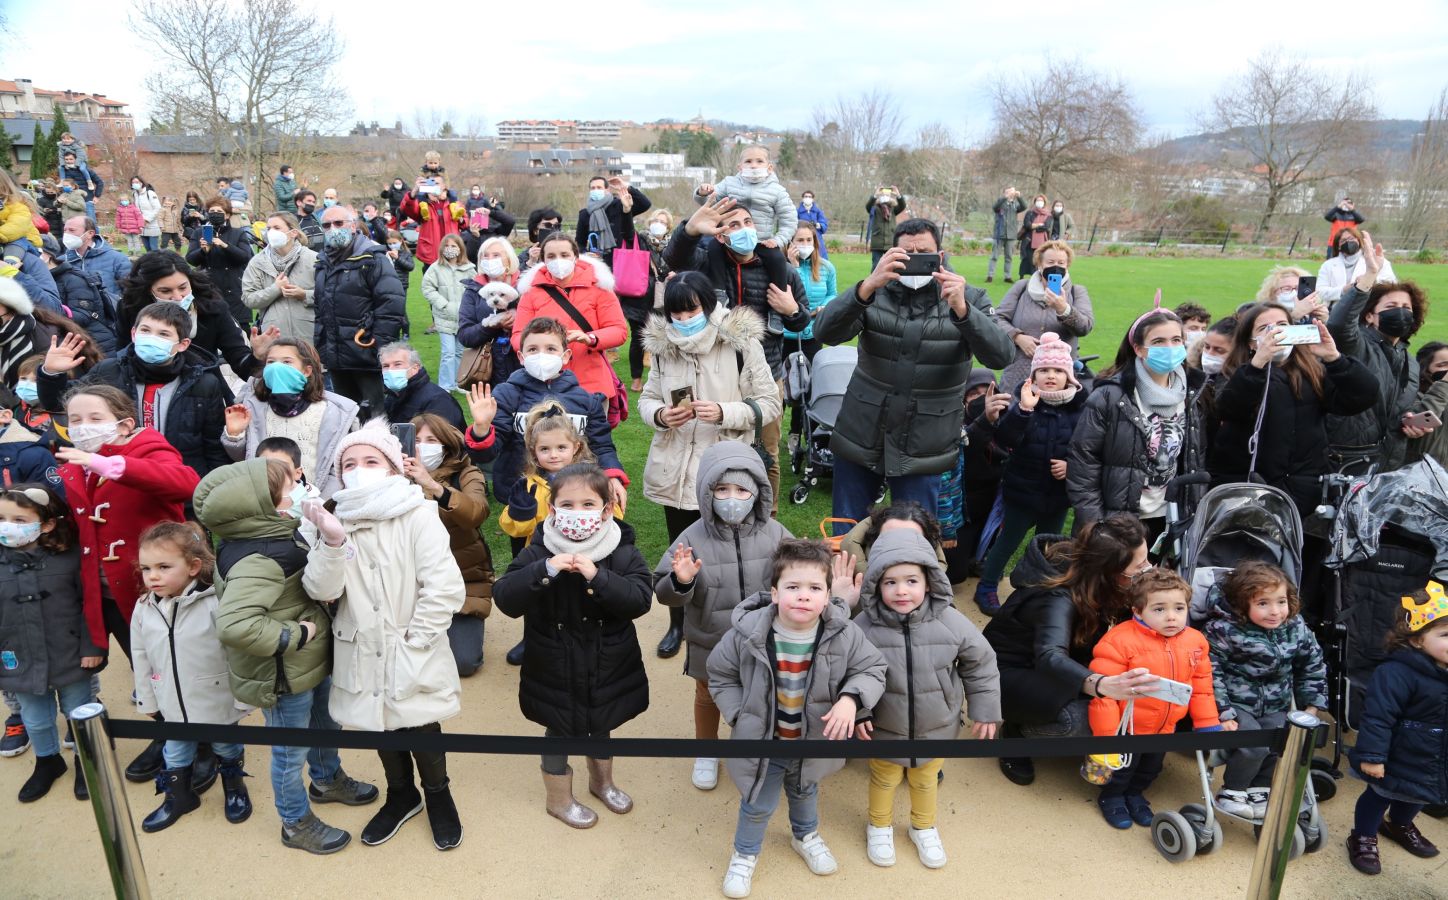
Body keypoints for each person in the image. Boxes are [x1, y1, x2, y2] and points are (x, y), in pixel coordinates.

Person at [195, 458, 378, 855]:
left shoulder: (270, 533)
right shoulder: (258, 559)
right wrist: (297, 634)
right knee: (289, 751)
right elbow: (236, 625)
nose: (298, 490)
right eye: (287, 488)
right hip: (283, 673)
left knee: (325, 725)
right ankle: (295, 822)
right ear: (263, 505)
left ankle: (328, 779)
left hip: (305, 664)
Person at [299, 423, 467, 851]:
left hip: (411, 641)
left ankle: (437, 792)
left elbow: (444, 586)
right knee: (378, 722)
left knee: (419, 718)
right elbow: (322, 590)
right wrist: (332, 543)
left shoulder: (418, 515)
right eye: (349, 464)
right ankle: (401, 793)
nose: (359, 470)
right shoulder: (334, 522)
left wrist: (417, 639)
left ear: (393, 468)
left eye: (371, 461)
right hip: (358, 644)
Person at [707, 539, 887, 898]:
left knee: (806, 791)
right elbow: (720, 674)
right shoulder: (747, 635)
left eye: (814, 588)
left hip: (814, 741)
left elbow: (872, 668)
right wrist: (739, 713)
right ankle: (745, 854)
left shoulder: (844, 633)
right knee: (757, 802)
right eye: (793, 587)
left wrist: (852, 700)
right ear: (774, 594)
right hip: (764, 742)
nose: (803, 596)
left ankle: (805, 835)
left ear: (827, 596)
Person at [815, 218, 1013, 529]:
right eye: (907, 253)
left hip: (925, 439)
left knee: (913, 535)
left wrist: (964, 312)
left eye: (925, 253)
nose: (915, 260)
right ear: (891, 253)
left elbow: (1001, 355)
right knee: (847, 529)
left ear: (941, 256)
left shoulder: (970, 297)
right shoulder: (875, 291)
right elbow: (825, 331)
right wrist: (866, 287)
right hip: (863, 428)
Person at [492, 463, 653, 830]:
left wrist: (599, 577)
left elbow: (640, 600)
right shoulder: (538, 552)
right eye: (567, 505)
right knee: (558, 727)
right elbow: (506, 598)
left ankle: (602, 782)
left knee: (603, 722)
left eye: (587, 504)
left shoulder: (622, 551)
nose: (577, 514)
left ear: (606, 509)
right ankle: (558, 799)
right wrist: (544, 571)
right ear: (553, 510)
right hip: (554, 663)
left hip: (606, 661)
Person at [639, 273, 780, 656]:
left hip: (726, 468)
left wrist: (724, 411)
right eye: (676, 312)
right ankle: (678, 625)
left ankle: (741, 619)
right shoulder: (665, 346)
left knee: (729, 550)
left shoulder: (739, 342)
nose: (684, 318)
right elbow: (647, 398)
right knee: (679, 552)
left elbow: (769, 402)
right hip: (676, 468)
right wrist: (660, 415)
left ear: (708, 305)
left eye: (692, 309)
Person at [846, 529, 999, 869]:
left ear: (929, 582)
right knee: (883, 777)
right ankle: (879, 825)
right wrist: (859, 711)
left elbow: (982, 662)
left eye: (911, 580)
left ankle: (923, 826)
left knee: (926, 778)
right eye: (890, 582)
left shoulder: (950, 621)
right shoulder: (863, 627)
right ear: (875, 585)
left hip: (937, 723)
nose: (901, 590)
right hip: (884, 725)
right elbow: (846, 671)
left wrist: (985, 709)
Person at [981, 514, 1160, 786]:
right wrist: (1101, 685)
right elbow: (1050, 656)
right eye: (1139, 566)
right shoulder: (1056, 596)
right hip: (1011, 674)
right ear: (1109, 572)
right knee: (1082, 720)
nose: (1148, 569)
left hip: (1059, 664)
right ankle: (1017, 731)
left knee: (1120, 709)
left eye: (1147, 560)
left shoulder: (1101, 583)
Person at [654, 441, 792, 791]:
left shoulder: (776, 534)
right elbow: (662, 589)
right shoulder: (692, 537)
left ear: (757, 492)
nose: (731, 498)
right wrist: (680, 581)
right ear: (707, 492)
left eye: (741, 489)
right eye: (721, 489)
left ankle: (754, 746)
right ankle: (707, 750)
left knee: (762, 692)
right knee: (707, 694)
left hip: (764, 639)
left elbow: (798, 571)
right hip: (710, 638)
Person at [665, 198, 813, 500]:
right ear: (720, 234)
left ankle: (766, 518)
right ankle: (710, 509)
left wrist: (792, 309)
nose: (744, 229)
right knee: (717, 445)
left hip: (766, 374)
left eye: (748, 223)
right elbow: (675, 259)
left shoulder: (782, 269)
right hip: (716, 373)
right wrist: (690, 229)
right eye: (734, 224)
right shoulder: (707, 262)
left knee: (766, 450)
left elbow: (801, 322)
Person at [130, 522, 250, 832]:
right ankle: (178, 797)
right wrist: (147, 696)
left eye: (163, 566)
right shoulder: (144, 608)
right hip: (171, 699)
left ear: (194, 566)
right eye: (146, 568)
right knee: (176, 751)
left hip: (215, 696)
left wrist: (242, 695)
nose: (152, 576)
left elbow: (235, 652)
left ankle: (234, 786)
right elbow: (140, 655)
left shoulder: (215, 603)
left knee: (225, 745)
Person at [1207, 303, 1377, 519]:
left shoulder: (1312, 372)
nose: (1276, 333)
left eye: (1282, 325)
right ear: (1250, 342)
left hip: (1303, 488)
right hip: (1250, 488)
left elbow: (1362, 397)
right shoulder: (1235, 372)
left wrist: (1335, 358)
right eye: (1265, 329)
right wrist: (1257, 364)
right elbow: (1229, 408)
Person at [466, 317, 627, 537]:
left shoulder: (586, 400)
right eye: (533, 349)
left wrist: (613, 475)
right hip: (524, 495)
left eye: (551, 348)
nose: (541, 355)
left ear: (566, 356)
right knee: (528, 555)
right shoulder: (506, 395)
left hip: (575, 495)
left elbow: (603, 446)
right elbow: (486, 454)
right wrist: (482, 428)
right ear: (521, 357)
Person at [1087, 568, 1220, 829]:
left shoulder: (1195, 641)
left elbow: (1202, 685)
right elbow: (1104, 694)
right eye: (1159, 609)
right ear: (1137, 611)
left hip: (1165, 725)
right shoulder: (1119, 641)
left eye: (1179, 608)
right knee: (1123, 768)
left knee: (1151, 767)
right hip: (1128, 725)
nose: (1171, 617)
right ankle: (1112, 797)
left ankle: (1135, 794)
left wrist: (1207, 722)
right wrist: (1107, 739)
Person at [40, 301, 235, 477]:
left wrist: (212, 486)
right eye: (145, 330)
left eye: (163, 334)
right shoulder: (108, 371)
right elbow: (57, 403)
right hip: (118, 476)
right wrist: (51, 374)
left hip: (180, 479)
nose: (152, 338)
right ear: (134, 334)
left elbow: (213, 444)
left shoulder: (203, 383)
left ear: (183, 344)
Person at [1067, 307, 1205, 546]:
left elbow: (1195, 457)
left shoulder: (1192, 394)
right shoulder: (1110, 397)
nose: (1170, 348)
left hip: (1170, 517)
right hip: (1116, 521)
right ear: (1139, 348)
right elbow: (1083, 463)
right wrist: (1097, 525)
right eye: (1159, 341)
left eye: (1176, 340)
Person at [974, 334, 1089, 615]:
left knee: (1049, 544)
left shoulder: (1080, 409)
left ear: (1070, 376)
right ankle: (987, 586)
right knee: (1008, 541)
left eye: (1058, 371)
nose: (1051, 376)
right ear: (1034, 375)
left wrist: (1071, 467)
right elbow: (1005, 440)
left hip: (1058, 495)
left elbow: (1088, 447)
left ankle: (1038, 588)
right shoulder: (1023, 402)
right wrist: (1024, 410)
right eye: (1044, 370)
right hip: (1022, 490)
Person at [0, 485, 100, 803]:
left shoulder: (69, 558)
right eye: (2, 518)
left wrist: (92, 647)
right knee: (36, 718)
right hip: (19, 658)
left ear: (46, 524)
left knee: (79, 712)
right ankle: (48, 761)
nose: (8, 525)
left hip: (70, 655)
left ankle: (88, 762)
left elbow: (89, 604)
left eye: (19, 518)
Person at [1204, 561, 1327, 820]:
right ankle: (1233, 791)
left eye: (1281, 602)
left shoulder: (1295, 628)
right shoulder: (1224, 631)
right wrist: (1223, 710)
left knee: (1283, 738)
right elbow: (1209, 672)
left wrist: (1312, 704)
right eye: (1263, 603)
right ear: (1242, 604)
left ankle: (1259, 788)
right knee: (1255, 743)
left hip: (1276, 701)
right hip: (1235, 702)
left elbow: (1312, 664)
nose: (1275, 611)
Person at [1345, 581, 1448, 876]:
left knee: (1417, 795)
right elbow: (1378, 716)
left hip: (1432, 758)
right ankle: (1363, 834)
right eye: (1445, 635)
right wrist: (1373, 756)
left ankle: (1399, 824)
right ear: (1416, 640)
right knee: (1380, 795)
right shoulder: (1396, 673)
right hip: (1396, 754)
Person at [1326, 233, 1424, 473]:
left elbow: (1396, 406)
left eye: (1406, 308)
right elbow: (1339, 325)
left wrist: (1413, 421)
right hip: (1348, 459)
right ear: (1369, 316)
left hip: (1390, 462)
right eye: (1391, 307)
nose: (1400, 313)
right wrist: (1370, 274)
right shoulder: (1357, 345)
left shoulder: (1410, 361)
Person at [406, 414, 493, 677]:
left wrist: (431, 485)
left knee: (463, 663)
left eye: (431, 440)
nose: (422, 446)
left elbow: (476, 512)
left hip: (462, 583)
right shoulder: (392, 473)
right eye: (416, 440)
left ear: (445, 444)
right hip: (409, 586)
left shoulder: (467, 473)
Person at [221, 338, 359, 498]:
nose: (277, 368)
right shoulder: (253, 406)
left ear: (306, 371)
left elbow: (336, 467)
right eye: (271, 362)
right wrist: (234, 435)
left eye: (286, 362)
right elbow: (244, 458)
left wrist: (321, 504)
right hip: (265, 500)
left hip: (317, 502)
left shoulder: (334, 411)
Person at [114, 250, 274, 379]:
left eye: (183, 287)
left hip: (201, 389)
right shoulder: (130, 308)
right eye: (165, 291)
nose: (177, 297)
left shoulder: (212, 308)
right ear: (148, 290)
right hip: (143, 384)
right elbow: (122, 355)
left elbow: (240, 361)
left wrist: (257, 356)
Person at [312, 204, 407, 419]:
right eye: (327, 225)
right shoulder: (322, 263)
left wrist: (378, 347)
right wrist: (322, 346)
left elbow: (391, 304)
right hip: (336, 355)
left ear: (353, 226)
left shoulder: (372, 259)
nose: (333, 229)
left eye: (338, 223)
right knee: (347, 414)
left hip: (366, 353)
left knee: (377, 413)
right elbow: (320, 309)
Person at [510, 232, 627, 404]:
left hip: (591, 383)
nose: (558, 260)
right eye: (551, 256)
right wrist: (537, 348)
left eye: (564, 255)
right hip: (544, 383)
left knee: (591, 431)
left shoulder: (600, 288)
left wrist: (591, 338)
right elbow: (517, 335)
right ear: (543, 260)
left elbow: (618, 330)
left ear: (575, 257)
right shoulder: (531, 293)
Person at [994, 240, 1094, 395]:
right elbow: (997, 318)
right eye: (1051, 262)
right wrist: (1018, 337)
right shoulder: (1021, 287)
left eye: (1061, 263)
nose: (1056, 267)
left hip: (1059, 379)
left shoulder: (1077, 292)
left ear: (1067, 266)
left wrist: (1063, 308)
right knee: (1015, 416)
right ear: (1039, 265)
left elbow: (1084, 327)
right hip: (1019, 373)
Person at [498, 400, 600, 546]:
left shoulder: (592, 481)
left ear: (576, 447)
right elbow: (517, 530)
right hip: (542, 554)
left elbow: (612, 517)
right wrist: (520, 511)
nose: (553, 455)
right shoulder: (529, 486)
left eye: (561, 447)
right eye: (545, 449)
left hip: (586, 552)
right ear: (534, 451)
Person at [694, 145, 793, 285]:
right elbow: (707, 204)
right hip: (732, 240)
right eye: (748, 161)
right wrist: (702, 193)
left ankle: (780, 294)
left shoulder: (778, 191)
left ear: (770, 167)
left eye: (759, 161)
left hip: (761, 241)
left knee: (777, 258)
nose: (753, 165)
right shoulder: (729, 183)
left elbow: (789, 220)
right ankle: (718, 290)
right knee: (713, 248)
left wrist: (778, 240)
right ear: (739, 167)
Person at [783, 223, 836, 452]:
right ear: (790, 243)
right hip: (786, 335)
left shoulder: (826, 268)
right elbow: (789, 296)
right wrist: (791, 267)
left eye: (808, 240)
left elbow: (833, 294)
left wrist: (824, 307)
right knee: (785, 386)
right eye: (799, 240)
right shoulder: (783, 268)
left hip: (813, 334)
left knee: (809, 386)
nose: (804, 245)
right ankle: (777, 432)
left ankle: (804, 433)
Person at [457, 237, 522, 388]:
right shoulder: (473, 291)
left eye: (496, 255)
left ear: (509, 259)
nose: (490, 259)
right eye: (485, 256)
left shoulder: (525, 286)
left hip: (524, 365)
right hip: (488, 370)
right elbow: (465, 336)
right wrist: (492, 325)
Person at [241, 212, 317, 343]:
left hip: (308, 335)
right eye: (268, 228)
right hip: (273, 337)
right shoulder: (257, 262)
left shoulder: (313, 259)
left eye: (277, 228)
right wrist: (275, 289)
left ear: (293, 233)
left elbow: (330, 295)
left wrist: (305, 295)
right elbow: (249, 299)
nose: (271, 233)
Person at [186, 196, 255, 329]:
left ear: (227, 215)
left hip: (233, 288)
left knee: (239, 329)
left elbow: (245, 257)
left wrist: (225, 245)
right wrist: (203, 251)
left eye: (219, 212)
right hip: (208, 287)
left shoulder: (238, 233)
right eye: (212, 211)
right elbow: (190, 259)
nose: (215, 214)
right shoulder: (199, 233)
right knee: (209, 327)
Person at [421, 234, 475, 393]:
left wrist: (468, 307)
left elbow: (475, 289)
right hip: (444, 316)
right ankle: (445, 385)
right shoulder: (435, 268)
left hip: (463, 318)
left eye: (454, 246)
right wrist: (443, 304)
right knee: (448, 352)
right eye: (447, 246)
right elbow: (427, 288)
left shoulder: (469, 269)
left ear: (460, 249)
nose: (450, 249)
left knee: (460, 352)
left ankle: (458, 383)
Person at [379, 342, 465, 432]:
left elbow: (444, 440)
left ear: (415, 368)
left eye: (398, 364)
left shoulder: (438, 400)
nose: (390, 370)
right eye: (385, 366)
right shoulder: (392, 397)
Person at [576, 175, 651, 267]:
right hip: (598, 264)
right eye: (593, 188)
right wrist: (586, 254)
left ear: (607, 190)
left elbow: (645, 204)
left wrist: (626, 187)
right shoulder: (585, 214)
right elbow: (580, 242)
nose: (596, 190)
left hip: (623, 261)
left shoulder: (620, 205)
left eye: (599, 187)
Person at [398, 172, 465, 271]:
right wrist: (414, 192)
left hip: (452, 252)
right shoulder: (422, 205)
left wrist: (460, 218)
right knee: (430, 286)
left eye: (437, 183)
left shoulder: (454, 203)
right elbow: (405, 208)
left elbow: (465, 224)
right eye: (431, 184)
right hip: (431, 255)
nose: (434, 186)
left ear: (444, 186)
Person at [1318, 227, 1397, 306]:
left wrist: (1369, 280)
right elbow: (1320, 291)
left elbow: (1392, 283)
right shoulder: (1328, 265)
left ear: (1358, 240)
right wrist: (1343, 290)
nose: (1348, 242)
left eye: (1351, 238)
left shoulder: (1377, 260)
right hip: (1337, 310)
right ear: (1338, 245)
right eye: (1343, 240)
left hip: (1368, 308)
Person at [61, 215, 130, 303]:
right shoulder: (61, 262)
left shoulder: (117, 259)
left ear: (90, 233)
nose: (66, 235)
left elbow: (131, 292)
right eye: (65, 230)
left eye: (72, 230)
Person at [1407, 342, 1448, 468]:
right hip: (1419, 478)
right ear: (1425, 370)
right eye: (1443, 365)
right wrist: (1444, 384)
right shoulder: (1411, 396)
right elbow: (1421, 420)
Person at [987, 187, 1024, 283]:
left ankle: (1007, 276)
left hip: (1011, 235)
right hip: (999, 234)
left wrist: (1019, 197)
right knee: (994, 256)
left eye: (1012, 191)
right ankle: (990, 275)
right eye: (1009, 191)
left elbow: (1024, 206)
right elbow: (995, 207)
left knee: (1009, 257)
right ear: (1005, 193)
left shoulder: (1015, 204)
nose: (1011, 193)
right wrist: (1005, 197)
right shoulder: (1000, 203)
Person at [865, 186, 906, 268]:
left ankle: (890, 281)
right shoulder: (875, 208)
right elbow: (868, 207)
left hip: (890, 243)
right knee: (876, 266)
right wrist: (875, 195)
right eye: (883, 195)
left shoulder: (894, 209)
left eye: (887, 195)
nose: (885, 196)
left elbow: (902, 206)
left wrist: (898, 195)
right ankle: (876, 280)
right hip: (877, 243)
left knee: (891, 265)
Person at [58, 151, 101, 220]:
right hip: (72, 203)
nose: (69, 161)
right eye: (66, 159)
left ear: (75, 159)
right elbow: (62, 186)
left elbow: (99, 182)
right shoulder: (63, 172)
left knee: (91, 223)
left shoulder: (86, 170)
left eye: (71, 159)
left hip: (87, 200)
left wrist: (97, 196)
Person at [520, 208, 564, 272]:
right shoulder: (525, 256)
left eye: (556, 226)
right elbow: (517, 280)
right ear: (535, 230)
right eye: (547, 225)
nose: (553, 229)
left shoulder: (567, 252)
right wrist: (531, 263)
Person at [129, 177, 162, 253]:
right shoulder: (134, 194)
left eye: (137, 182)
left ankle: (158, 264)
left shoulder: (150, 193)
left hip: (152, 225)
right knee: (147, 248)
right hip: (141, 226)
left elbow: (157, 208)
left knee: (154, 249)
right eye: (133, 182)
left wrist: (147, 219)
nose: (135, 184)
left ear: (141, 182)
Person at [796, 190, 829, 259]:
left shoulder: (818, 212)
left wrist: (818, 225)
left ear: (813, 199)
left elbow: (824, 224)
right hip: (803, 238)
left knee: (820, 257)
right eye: (806, 196)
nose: (808, 198)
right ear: (802, 198)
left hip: (817, 237)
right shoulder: (797, 211)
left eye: (809, 197)